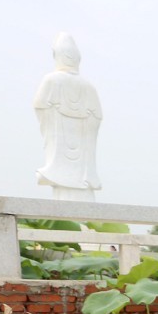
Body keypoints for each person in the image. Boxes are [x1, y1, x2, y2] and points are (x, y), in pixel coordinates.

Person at [33, 32, 103, 202]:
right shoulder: (89, 87)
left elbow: (40, 106)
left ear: (56, 55)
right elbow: (96, 118)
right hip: (78, 161)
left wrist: (57, 112)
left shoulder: (51, 80)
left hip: (65, 150)